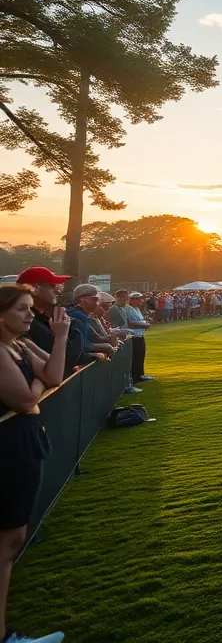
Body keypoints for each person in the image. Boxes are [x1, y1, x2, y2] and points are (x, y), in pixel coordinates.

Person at [0, 284, 70, 643]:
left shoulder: (20, 345)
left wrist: (61, 337)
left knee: (12, 538)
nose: (30, 315)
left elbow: (55, 376)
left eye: (30, 307)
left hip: (23, 440)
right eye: (21, 309)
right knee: (6, 541)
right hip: (8, 446)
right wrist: (39, 385)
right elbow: (26, 400)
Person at [14, 268, 81, 371]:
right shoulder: (30, 324)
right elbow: (69, 359)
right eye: (52, 285)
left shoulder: (41, 319)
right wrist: (71, 325)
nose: (57, 291)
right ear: (35, 289)